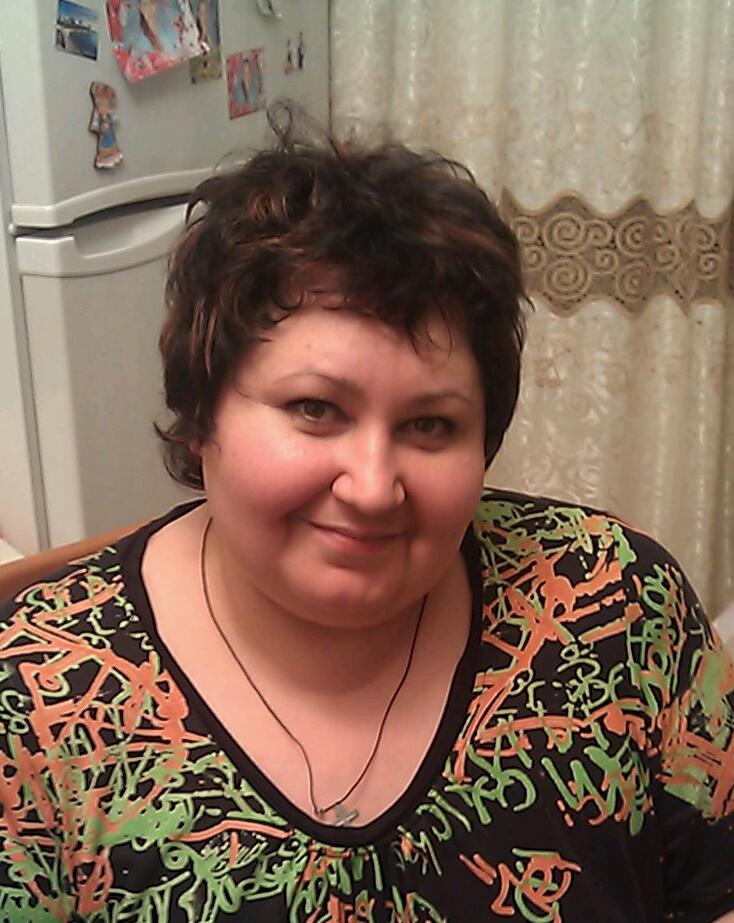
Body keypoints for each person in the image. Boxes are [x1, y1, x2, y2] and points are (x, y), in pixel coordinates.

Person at [0, 108, 733, 922]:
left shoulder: (617, 604)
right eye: (315, 408)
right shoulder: (35, 696)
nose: (374, 487)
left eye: (431, 425)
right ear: (203, 409)